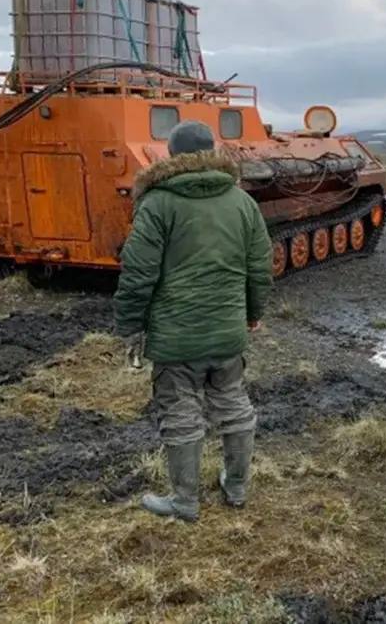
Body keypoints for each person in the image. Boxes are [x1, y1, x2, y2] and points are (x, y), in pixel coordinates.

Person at [113, 120, 274, 522]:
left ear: (171, 155)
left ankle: (184, 501)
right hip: (226, 332)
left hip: (176, 336)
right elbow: (260, 267)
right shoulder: (241, 202)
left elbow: (138, 271)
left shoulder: (158, 202)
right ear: (213, 153)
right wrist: (253, 314)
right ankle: (236, 488)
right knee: (234, 405)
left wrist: (130, 324)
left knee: (181, 411)